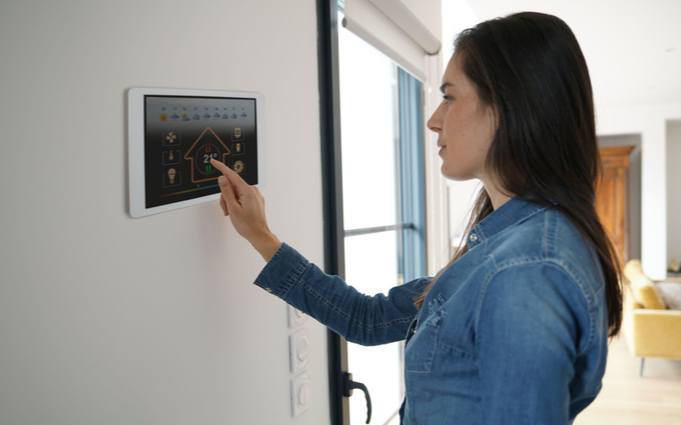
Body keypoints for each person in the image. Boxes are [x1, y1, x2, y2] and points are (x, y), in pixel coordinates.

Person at [210, 10, 622, 425]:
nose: (432, 120)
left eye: (449, 95)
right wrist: (261, 236)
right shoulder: (509, 246)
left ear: (506, 104)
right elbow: (366, 319)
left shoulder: (526, 271)